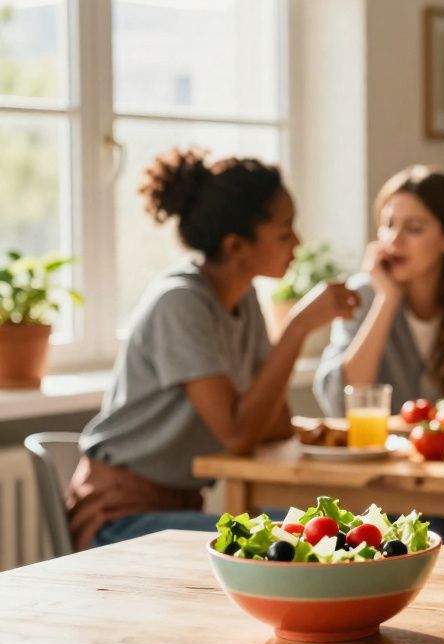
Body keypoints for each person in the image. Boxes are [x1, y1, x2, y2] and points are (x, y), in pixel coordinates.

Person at [67, 149, 358, 550]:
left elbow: (272, 423)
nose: (298, 242)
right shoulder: (180, 303)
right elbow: (240, 436)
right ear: (236, 245)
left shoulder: (243, 300)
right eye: (285, 232)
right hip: (118, 518)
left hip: (179, 509)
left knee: (329, 532)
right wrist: (296, 329)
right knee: (295, 544)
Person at [314, 166, 444, 416]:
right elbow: (340, 405)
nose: (394, 240)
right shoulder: (362, 295)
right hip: (389, 452)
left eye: (414, 228)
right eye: (387, 225)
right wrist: (386, 300)